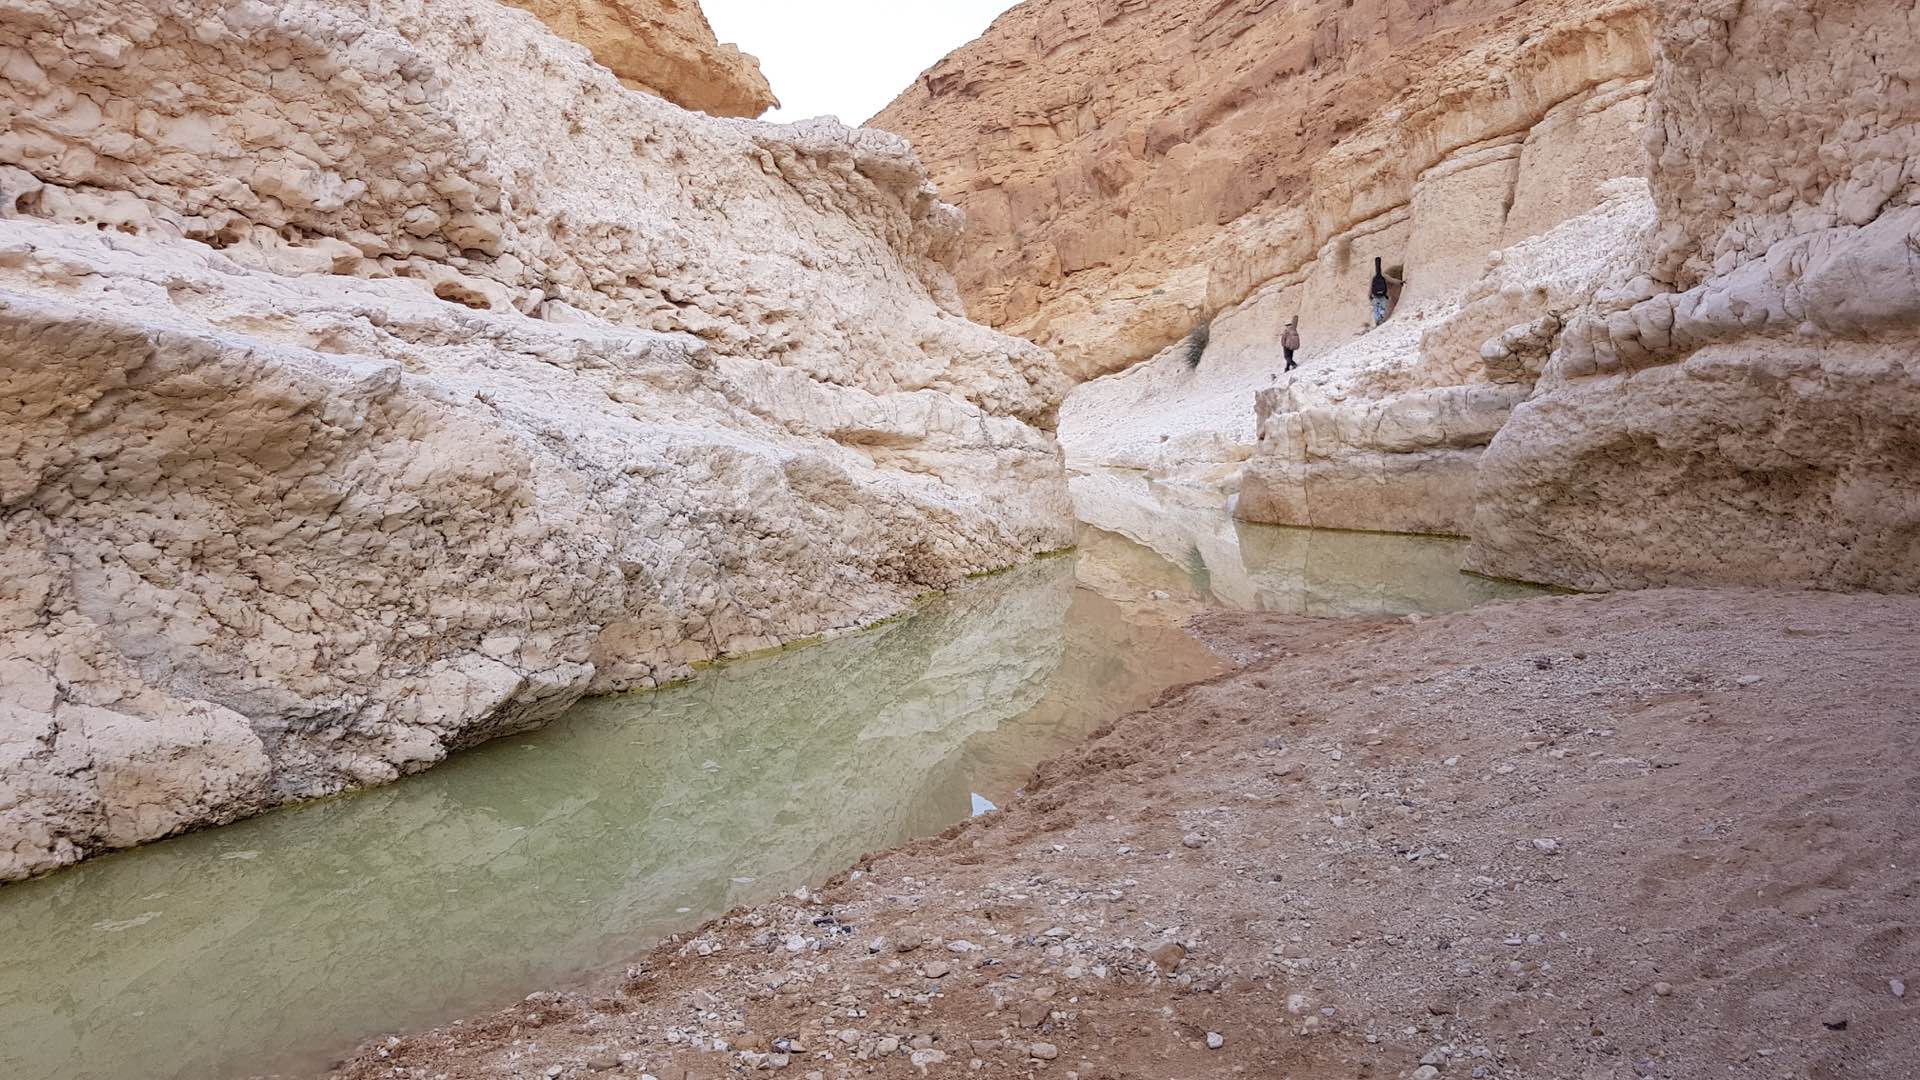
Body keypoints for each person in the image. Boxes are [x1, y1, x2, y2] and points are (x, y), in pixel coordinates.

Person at [1369, 257, 1393, 326]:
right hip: (1383, 295)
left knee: (1376, 308)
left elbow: (1371, 287)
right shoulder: (1384, 276)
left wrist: (1370, 295)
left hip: (1375, 296)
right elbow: (1392, 280)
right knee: (1383, 307)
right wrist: (1400, 282)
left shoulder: (1373, 277)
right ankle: (1381, 319)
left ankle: (1377, 320)